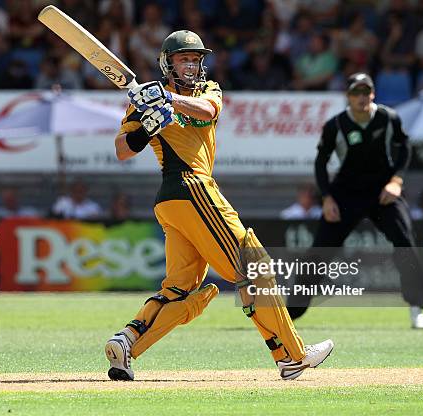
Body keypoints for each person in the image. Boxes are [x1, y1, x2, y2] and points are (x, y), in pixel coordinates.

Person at [104, 30, 334, 382]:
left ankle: (127, 343)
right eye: (184, 59)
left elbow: (208, 111)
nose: (193, 65)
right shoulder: (146, 101)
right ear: (168, 63)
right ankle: (292, 356)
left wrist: (167, 100)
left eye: (196, 59)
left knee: (182, 289)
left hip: (176, 202)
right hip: (188, 188)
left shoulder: (208, 91)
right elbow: (123, 149)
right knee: (253, 266)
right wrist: (149, 124)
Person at [286, 73, 423, 330]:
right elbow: (321, 163)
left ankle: (416, 309)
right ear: (348, 96)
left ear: (373, 94)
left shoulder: (388, 118)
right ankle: (289, 315)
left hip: (382, 194)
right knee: (319, 252)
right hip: (345, 195)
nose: (362, 97)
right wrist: (327, 198)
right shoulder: (336, 125)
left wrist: (396, 181)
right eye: (357, 92)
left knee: (405, 242)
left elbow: (404, 148)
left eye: (366, 92)